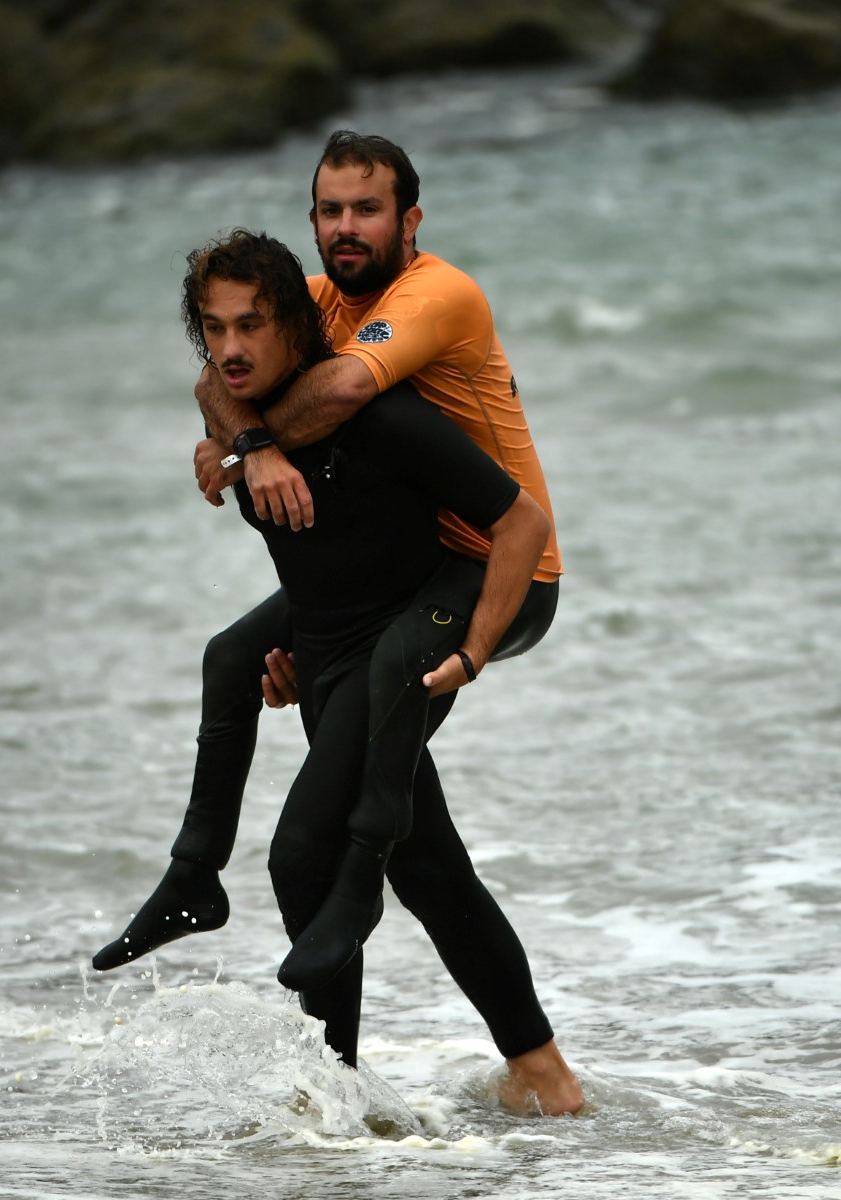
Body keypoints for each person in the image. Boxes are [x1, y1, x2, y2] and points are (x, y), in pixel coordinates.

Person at [95, 132, 563, 996]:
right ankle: (195, 874)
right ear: (312, 220)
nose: (346, 226)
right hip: (401, 571)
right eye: (330, 210)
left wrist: (248, 443)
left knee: (338, 822)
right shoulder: (315, 300)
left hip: (499, 566)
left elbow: (342, 393)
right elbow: (219, 374)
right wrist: (248, 444)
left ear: (409, 219)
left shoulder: (437, 293)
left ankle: (348, 965)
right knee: (238, 661)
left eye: (368, 209)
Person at [150, 227, 583, 1113]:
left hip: (466, 592)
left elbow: (516, 523)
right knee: (424, 859)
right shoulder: (265, 373)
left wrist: (466, 655)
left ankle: (333, 1087)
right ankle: (537, 1074)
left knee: (306, 849)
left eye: (252, 326)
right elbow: (329, 546)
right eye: (215, 328)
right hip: (360, 620)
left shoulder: (382, 381)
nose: (232, 346)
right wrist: (247, 449)